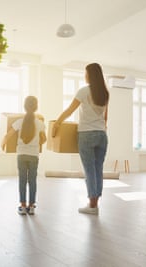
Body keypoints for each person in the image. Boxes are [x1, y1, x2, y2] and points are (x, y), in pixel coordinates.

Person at [52, 63, 109, 215]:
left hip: (86, 134)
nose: (84, 76)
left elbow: (70, 110)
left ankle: (92, 205)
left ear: (90, 75)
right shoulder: (105, 93)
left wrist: (57, 123)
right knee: (98, 170)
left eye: (85, 73)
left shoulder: (84, 91)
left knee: (89, 170)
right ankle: (94, 204)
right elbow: (105, 117)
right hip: (102, 135)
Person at [2, 96, 47, 215]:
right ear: (36, 107)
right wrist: (36, 144)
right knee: (32, 180)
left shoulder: (19, 122)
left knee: (22, 180)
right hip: (34, 155)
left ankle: (22, 206)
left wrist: (3, 144)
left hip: (21, 154)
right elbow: (44, 139)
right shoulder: (39, 123)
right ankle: (31, 206)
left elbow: (8, 135)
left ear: (24, 106)